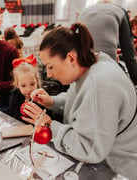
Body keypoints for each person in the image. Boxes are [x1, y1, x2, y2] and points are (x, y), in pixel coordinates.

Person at [21, 23, 137, 180]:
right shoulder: (93, 65)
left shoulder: (100, 85)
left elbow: (89, 150)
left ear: (70, 58)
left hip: (114, 169)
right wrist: (52, 101)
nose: (48, 74)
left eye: (51, 67)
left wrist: (49, 125)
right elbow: (78, 98)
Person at [78, 1, 137, 85]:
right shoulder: (120, 10)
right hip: (107, 68)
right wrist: (135, 79)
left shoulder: (83, 12)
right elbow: (128, 52)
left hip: (83, 68)